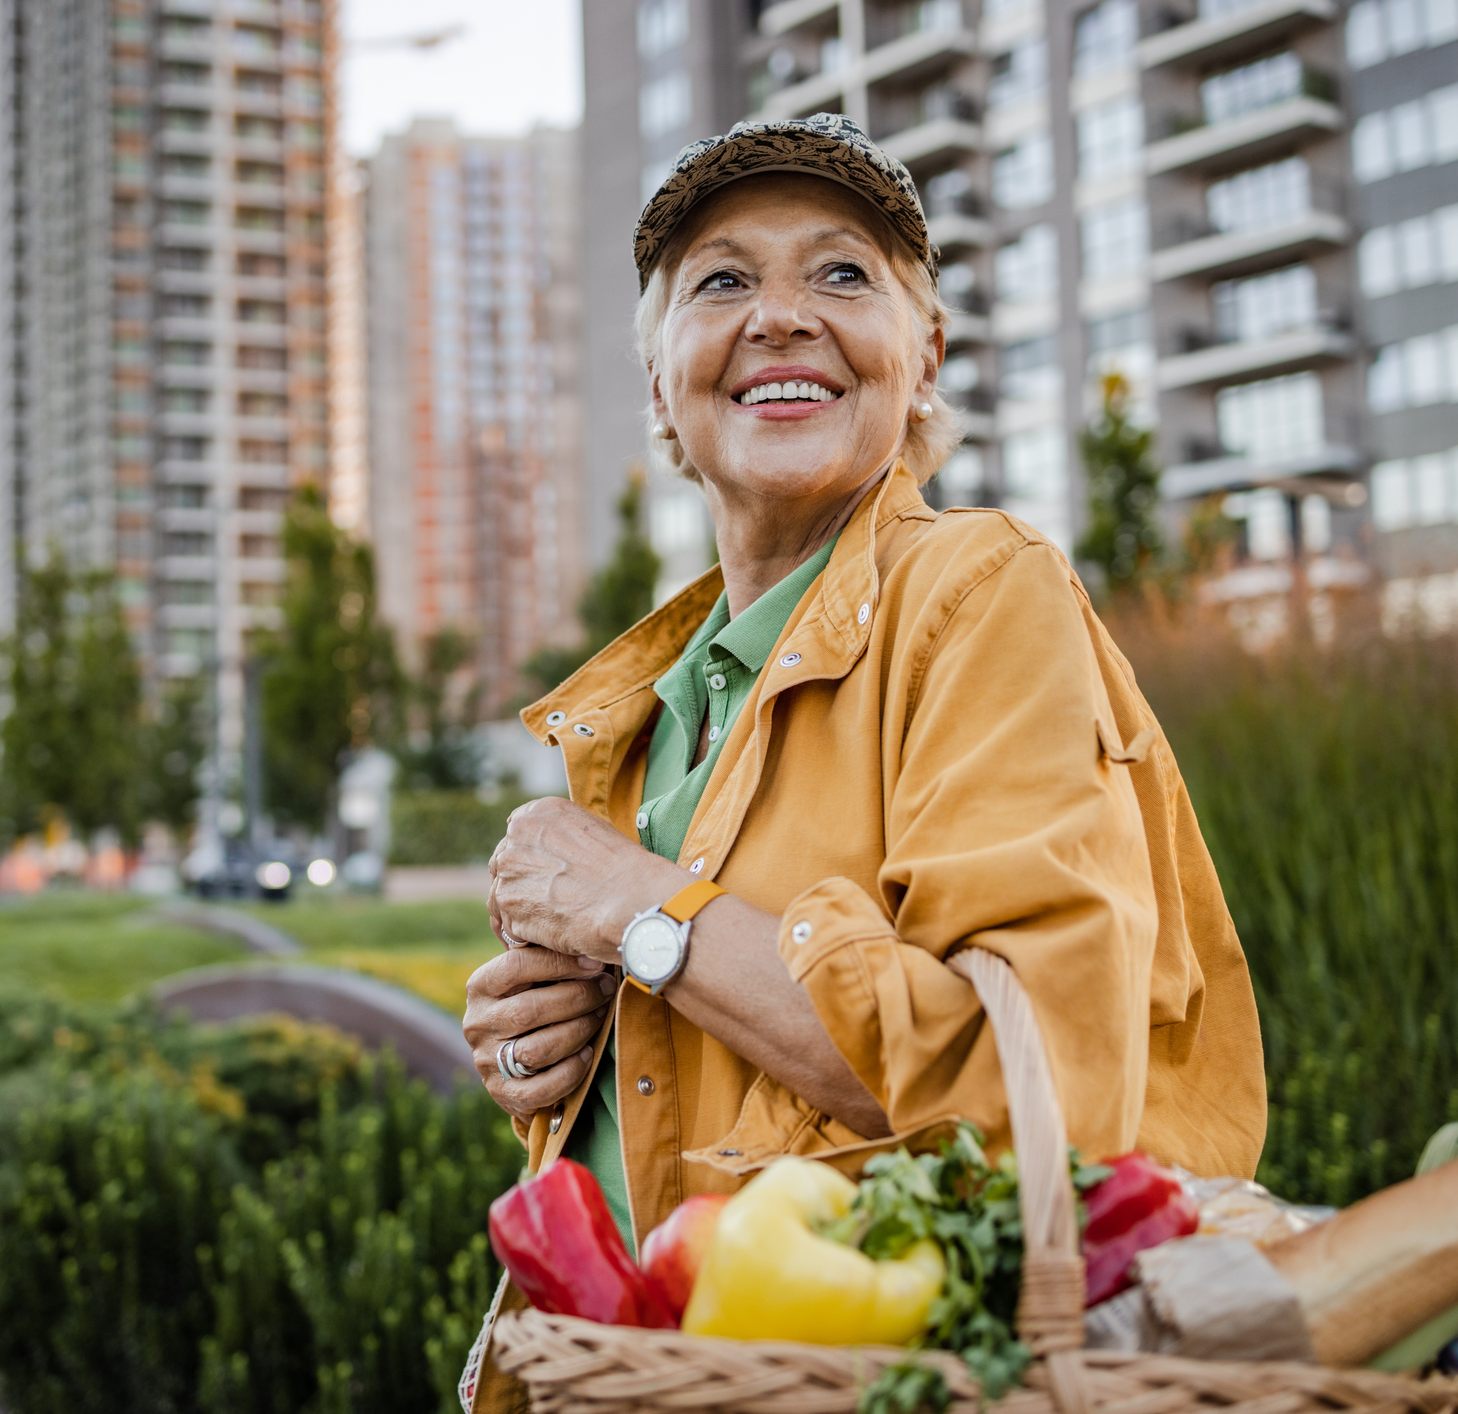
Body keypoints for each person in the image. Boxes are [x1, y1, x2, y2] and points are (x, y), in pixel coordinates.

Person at [456, 114, 1266, 1410]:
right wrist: (547, 1055)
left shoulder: (979, 595)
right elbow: (718, 1090)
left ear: (923, 351)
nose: (779, 316)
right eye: (721, 281)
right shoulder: (649, 711)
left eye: (841, 274)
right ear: (659, 377)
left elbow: (1030, 1097)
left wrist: (634, 912)